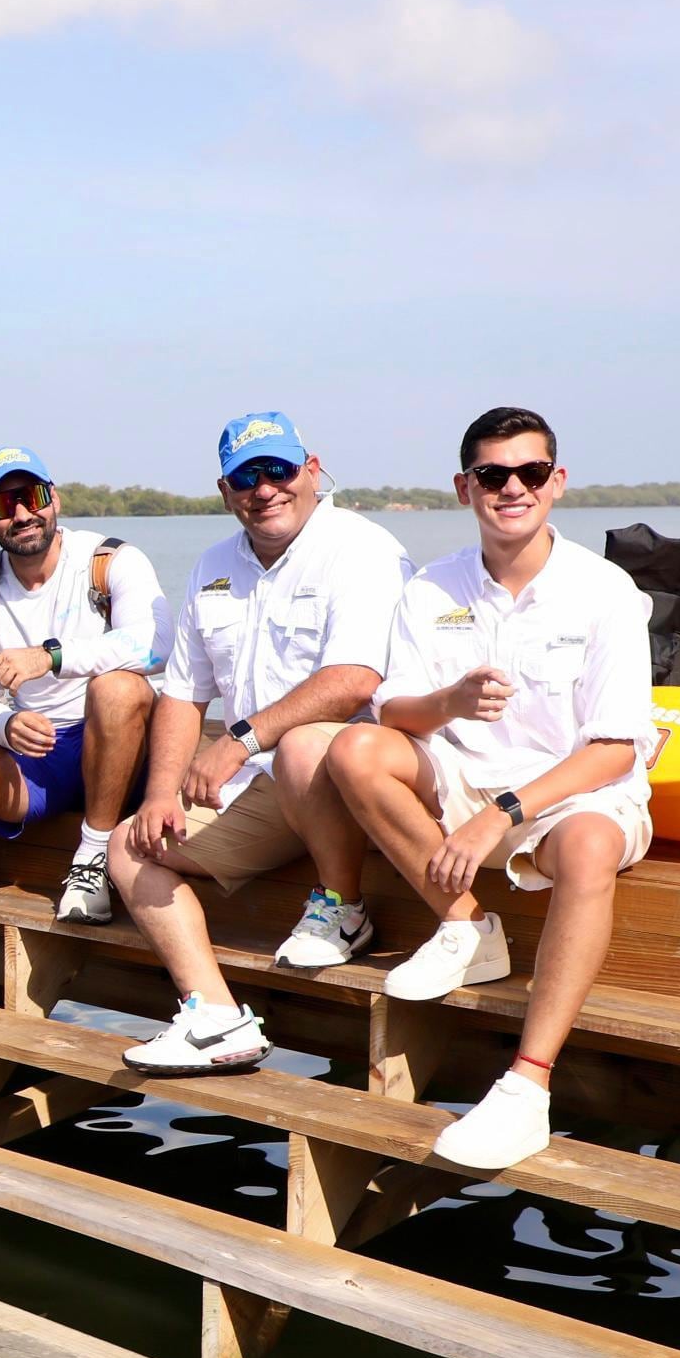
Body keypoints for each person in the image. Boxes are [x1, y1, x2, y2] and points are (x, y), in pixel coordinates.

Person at [318, 407, 656, 1171]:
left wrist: (499, 816)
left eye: (529, 472)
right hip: (464, 779)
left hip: (567, 796)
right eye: (492, 474)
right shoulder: (430, 587)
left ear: (556, 482)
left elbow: (613, 751)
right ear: (464, 487)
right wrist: (451, 702)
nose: (512, 488)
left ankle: (527, 1086)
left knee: (591, 846)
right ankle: (468, 930)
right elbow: (393, 712)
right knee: (354, 748)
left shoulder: (604, 590)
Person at [110, 413, 413, 1072]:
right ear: (226, 492)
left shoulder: (361, 549)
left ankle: (342, 908)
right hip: (265, 785)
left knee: (304, 745)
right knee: (129, 844)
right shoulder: (212, 566)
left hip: (353, 778)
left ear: (312, 470)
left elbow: (355, 679)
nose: (265, 489)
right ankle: (216, 1018)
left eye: (278, 469)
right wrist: (160, 792)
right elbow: (183, 693)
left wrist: (239, 741)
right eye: (246, 478)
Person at [0, 447, 171, 1028]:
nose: (22, 514)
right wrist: (5, 725)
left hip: (124, 747)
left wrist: (51, 657)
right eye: (4, 504)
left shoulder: (111, 561)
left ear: (54, 499)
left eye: (32, 497)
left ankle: (91, 859)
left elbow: (156, 646)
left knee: (116, 689)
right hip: (43, 755)